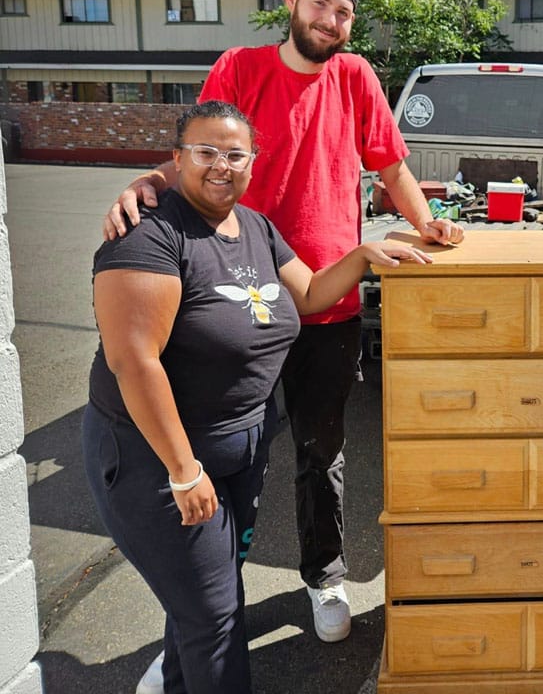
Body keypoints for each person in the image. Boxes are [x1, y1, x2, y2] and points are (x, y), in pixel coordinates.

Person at [102, 0, 464, 685]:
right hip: (239, 300)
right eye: (321, 5)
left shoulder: (356, 76)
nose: (331, 22)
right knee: (227, 455)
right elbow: (202, 147)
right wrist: (149, 180)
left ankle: (323, 575)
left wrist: (425, 225)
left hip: (321, 296)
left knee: (320, 452)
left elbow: (390, 164)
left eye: (344, 13)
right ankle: (196, 625)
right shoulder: (240, 65)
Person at [83, 100, 432, 694]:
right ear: (175, 159)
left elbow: (313, 294)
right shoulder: (150, 235)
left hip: (238, 453)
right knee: (217, 618)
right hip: (160, 461)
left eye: (235, 154)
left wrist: (366, 256)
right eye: (206, 152)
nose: (222, 165)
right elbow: (133, 362)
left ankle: (174, 680)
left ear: (253, 163)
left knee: (210, 590)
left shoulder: (256, 228)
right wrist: (183, 471)